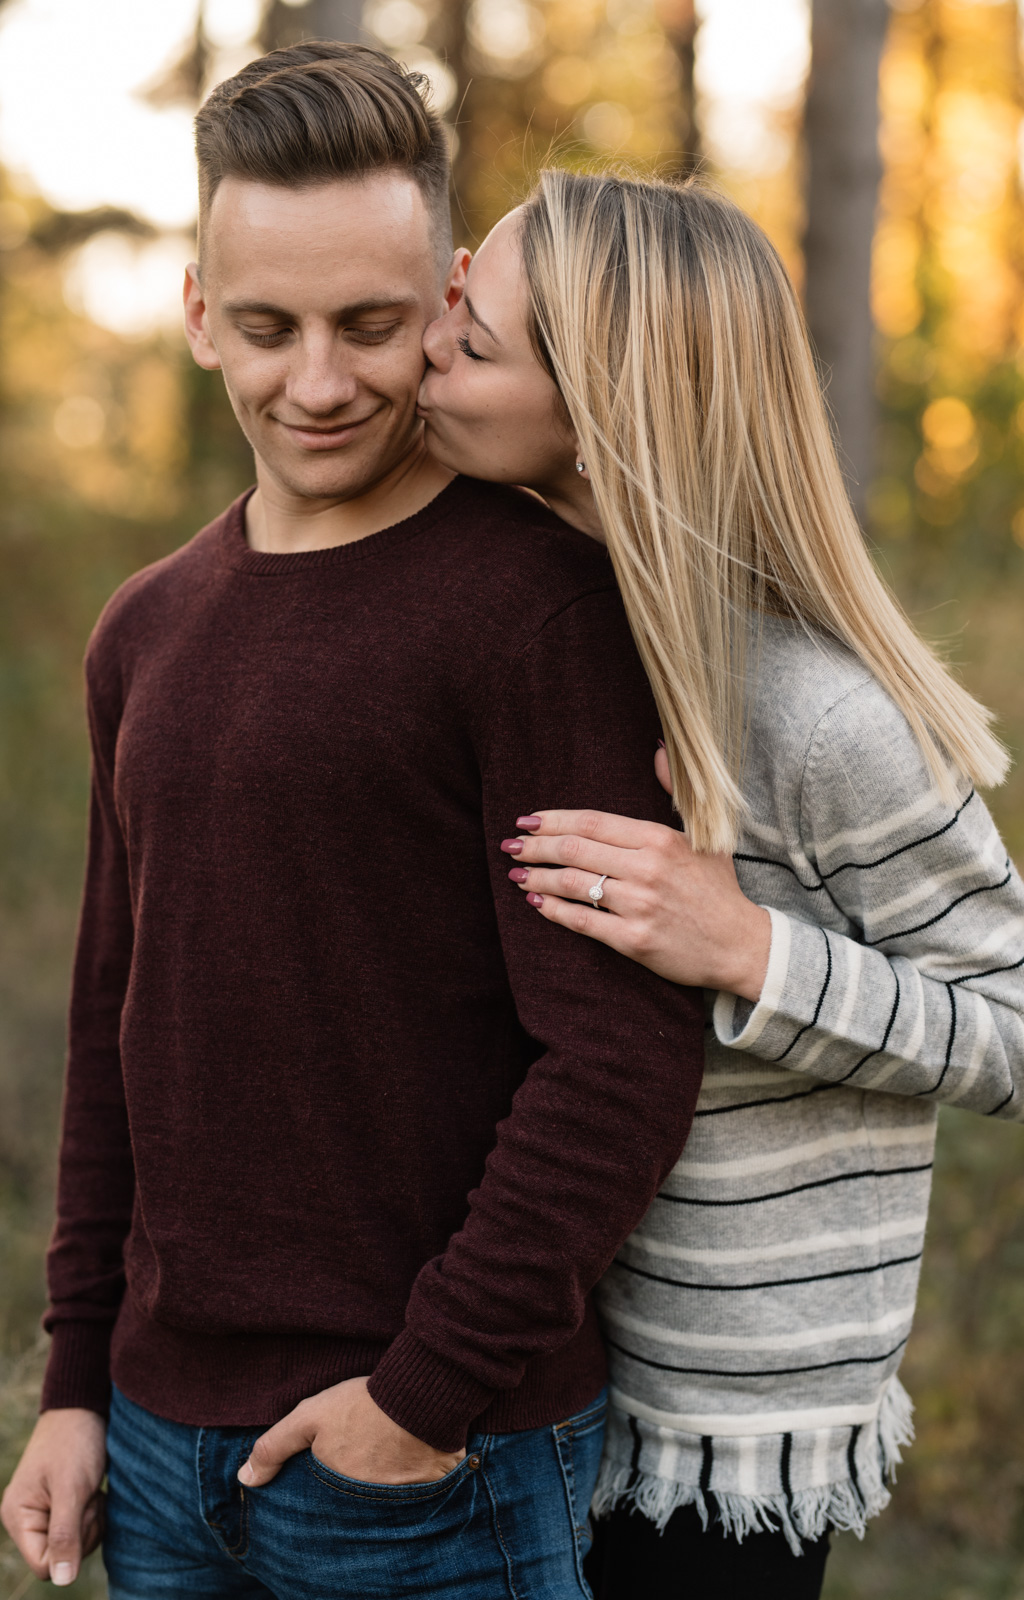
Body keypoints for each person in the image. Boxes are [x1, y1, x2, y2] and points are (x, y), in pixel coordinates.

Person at [0, 56, 708, 1600]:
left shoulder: (538, 612)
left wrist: (420, 1397)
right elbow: (114, 1034)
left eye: (370, 326)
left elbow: (620, 1054)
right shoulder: (145, 632)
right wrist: (70, 1386)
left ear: (449, 296)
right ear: (199, 311)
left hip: (436, 1464)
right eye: (267, 328)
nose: (316, 383)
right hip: (159, 1445)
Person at [416, 169, 1024, 1599]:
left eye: (470, 338)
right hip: (524, 1368)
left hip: (719, 1444)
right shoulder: (524, 632)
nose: (424, 339)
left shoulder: (817, 717)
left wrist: (754, 952)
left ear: (602, 417)